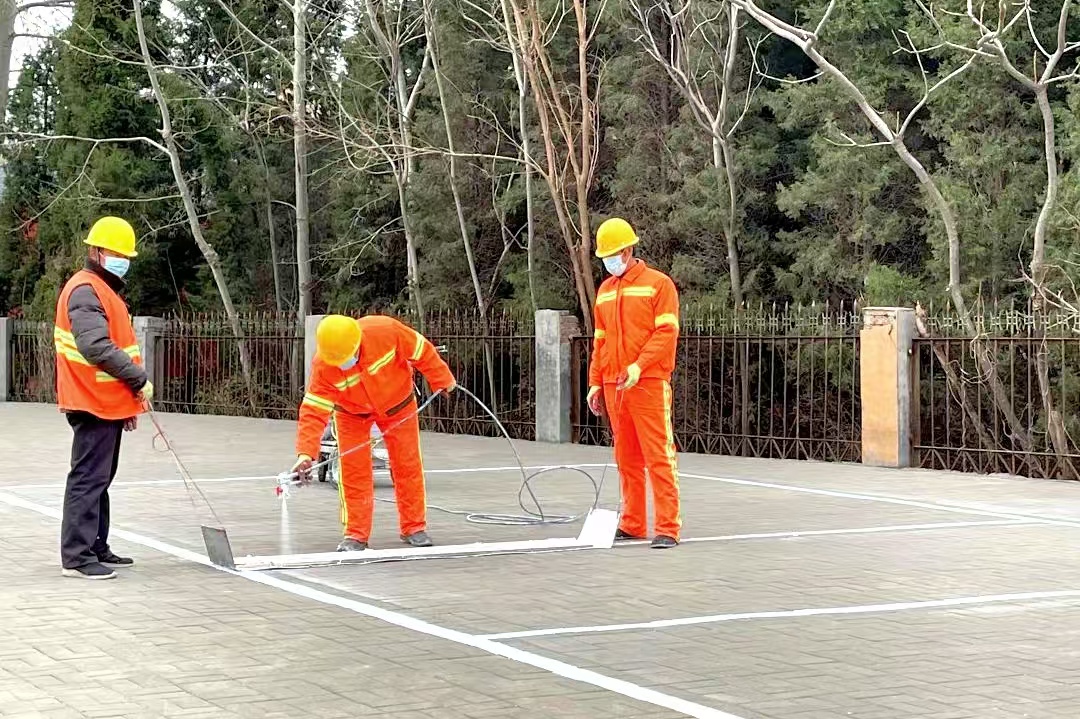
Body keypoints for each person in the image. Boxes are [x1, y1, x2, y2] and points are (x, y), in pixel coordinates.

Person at [292, 314, 456, 551]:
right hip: (351, 415)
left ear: (357, 342)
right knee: (353, 471)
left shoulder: (386, 331)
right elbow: (313, 411)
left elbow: (422, 350)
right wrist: (305, 454)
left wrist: (441, 379)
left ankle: (414, 527)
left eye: (346, 358)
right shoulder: (324, 365)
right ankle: (355, 534)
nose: (343, 364)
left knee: (407, 465)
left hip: (399, 407)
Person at [54, 216, 153, 579]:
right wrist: (138, 378)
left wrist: (127, 401)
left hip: (104, 401)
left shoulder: (101, 289)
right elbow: (95, 346)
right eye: (116, 254)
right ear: (96, 252)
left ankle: (96, 546)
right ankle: (77, 558)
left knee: (100, 479)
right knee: (88, 478)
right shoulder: (86, 290)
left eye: (126, 256)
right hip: (90, 401)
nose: (122, 260)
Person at [587, 217, 682, 549]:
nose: (608, 262)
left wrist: (640, 366)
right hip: (614, 384)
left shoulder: (658, 284)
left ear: (627, 251)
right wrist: (595, 382)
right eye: (604, 257)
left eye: (611, 255)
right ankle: (633, 522)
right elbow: (600, 341)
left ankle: (668, 527)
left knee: (658, 454)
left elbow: (666, 333)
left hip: (648, 383)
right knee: (626, 457)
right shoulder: (604, 292)